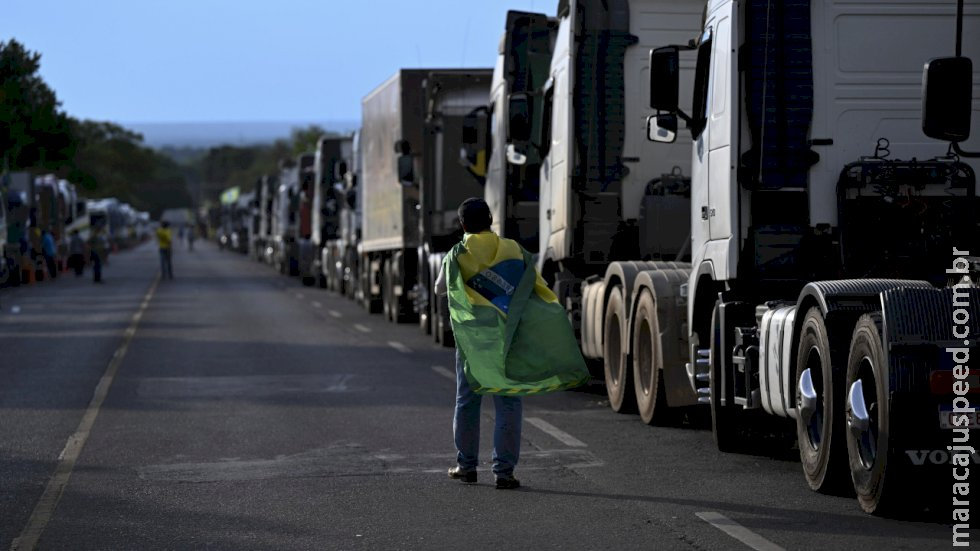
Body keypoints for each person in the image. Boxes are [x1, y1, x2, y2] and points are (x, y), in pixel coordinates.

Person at [436, 198, 588, 490]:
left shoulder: (457, 254)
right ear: (491, 220)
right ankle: (504, 472)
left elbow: (441, 289)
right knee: (509, 399)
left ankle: (466, 466)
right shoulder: (514, 250)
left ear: (463, 225)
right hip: (508, 338)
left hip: (474, 343)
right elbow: (534, 288)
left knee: (467, 401)